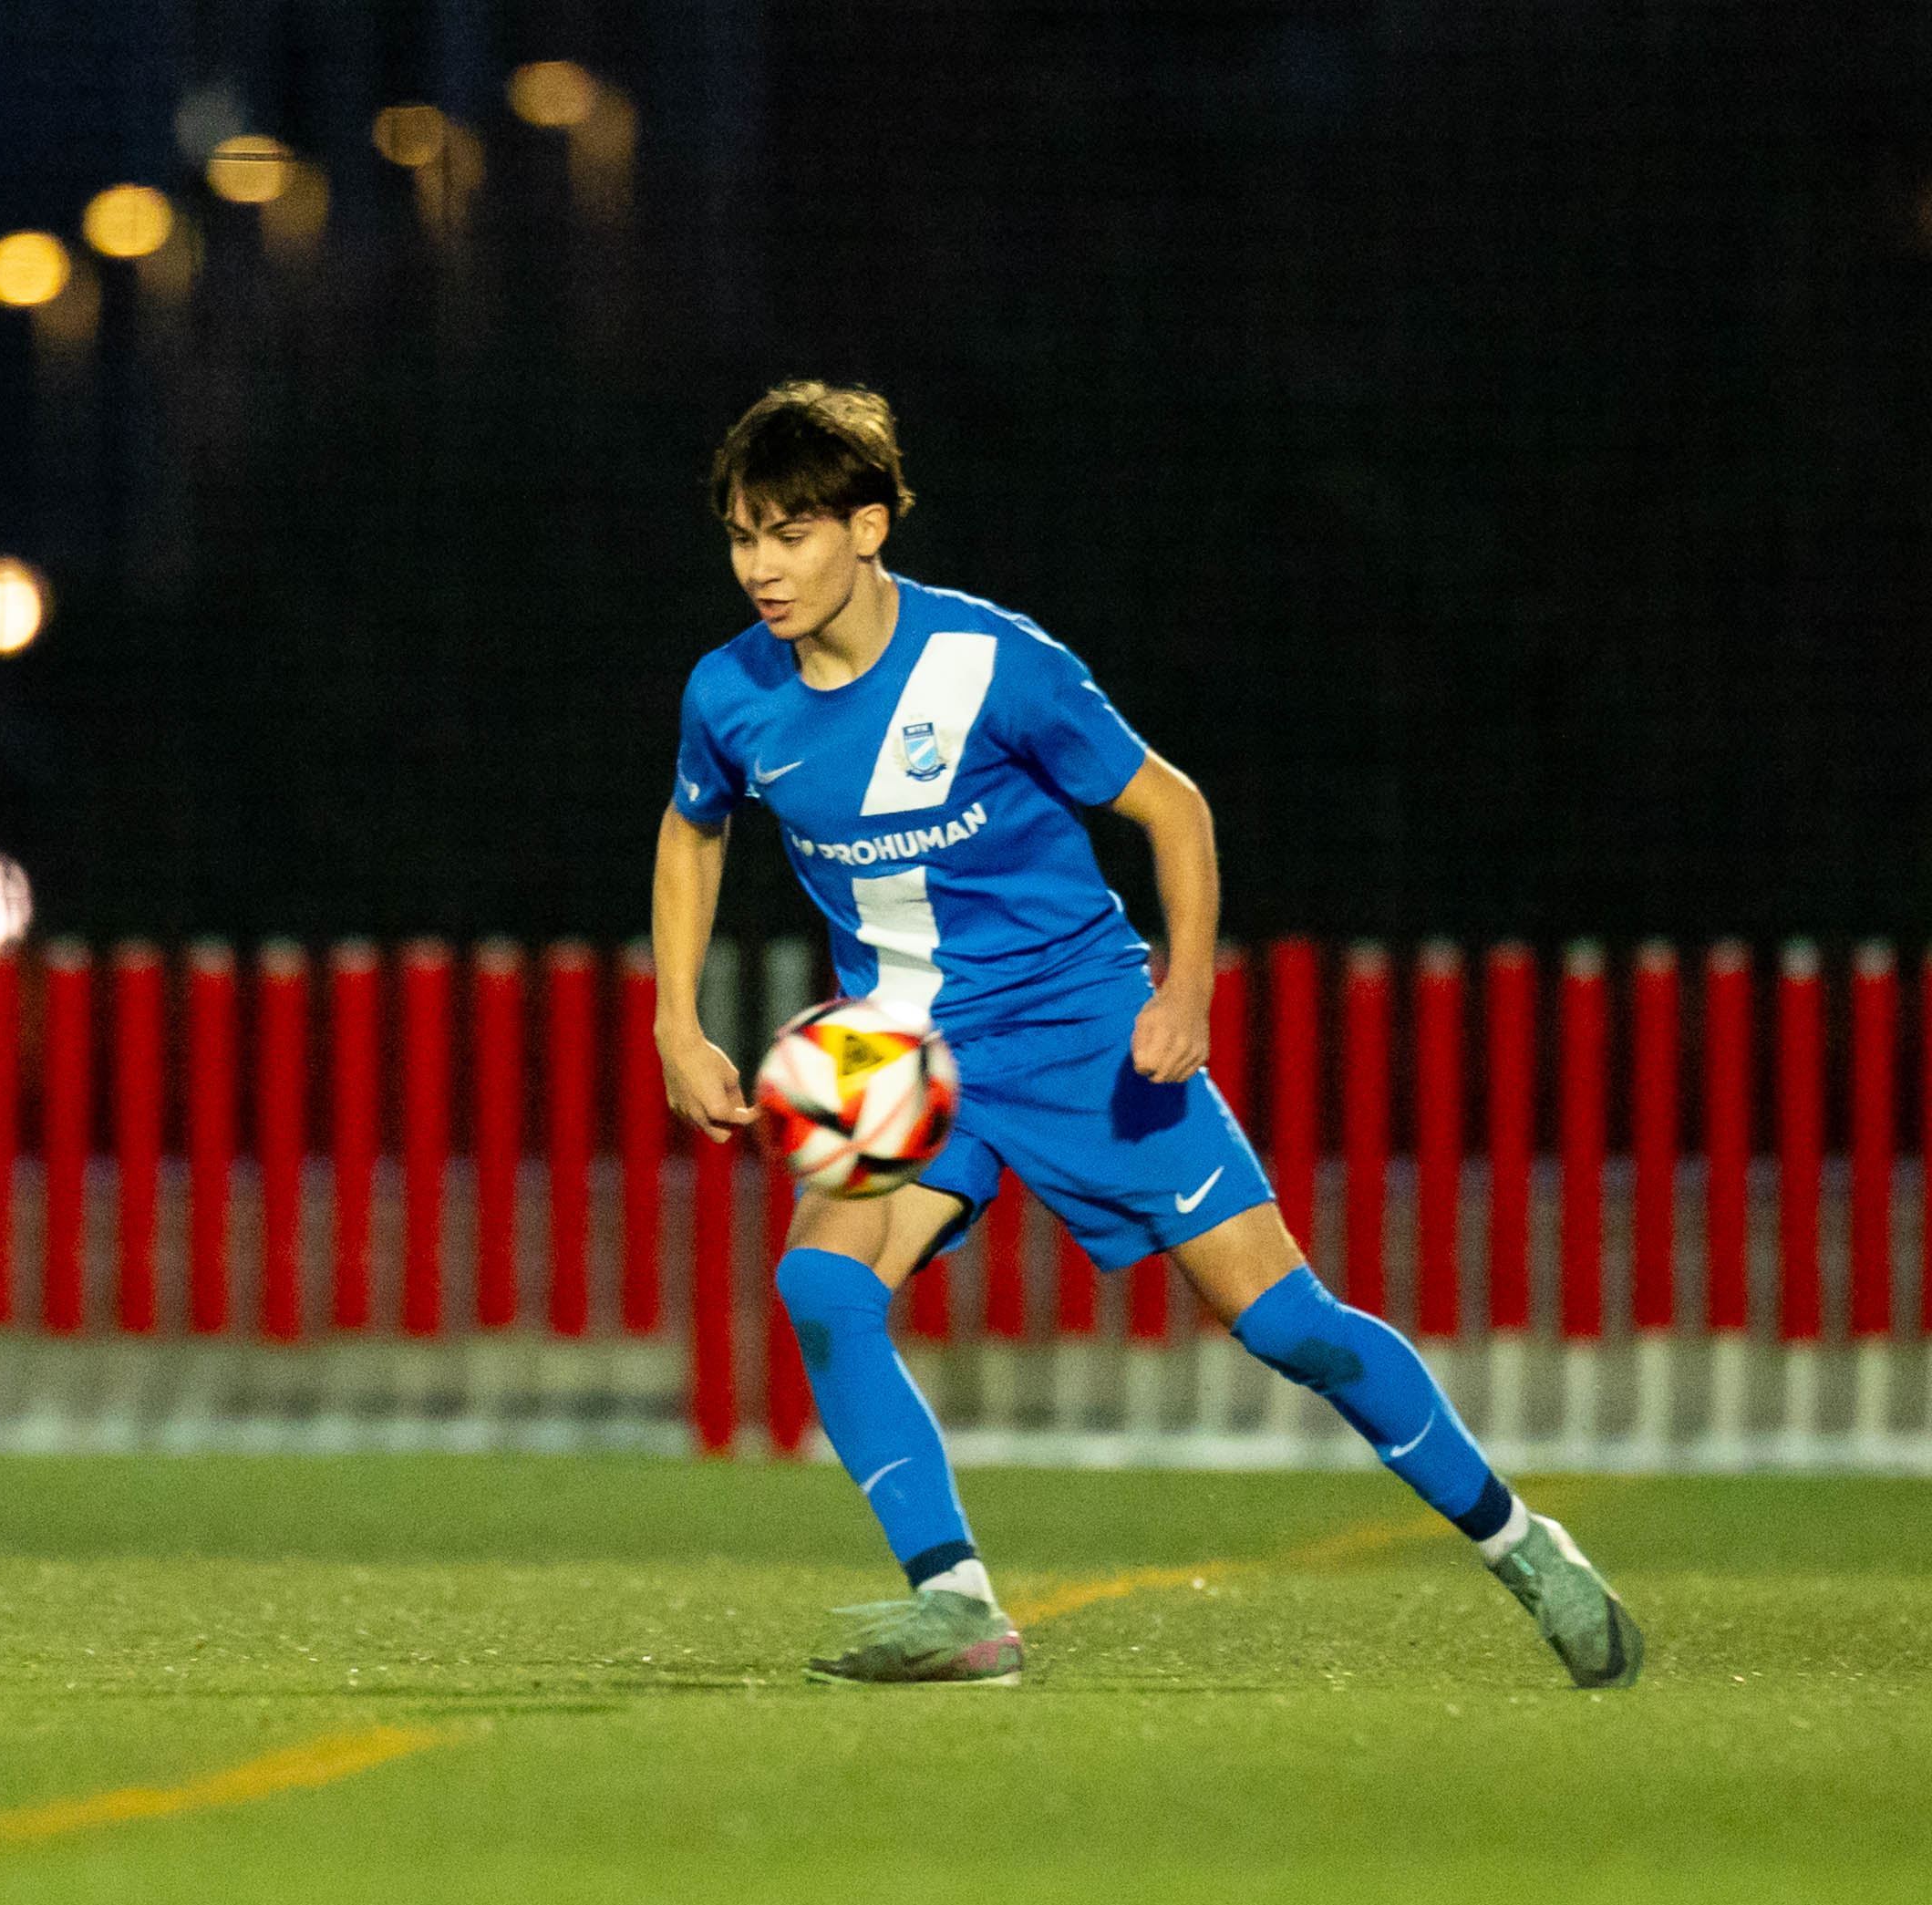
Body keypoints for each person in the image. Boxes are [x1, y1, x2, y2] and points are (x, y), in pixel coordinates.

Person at [653, 381, 1640, 1690]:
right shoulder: (730, 694)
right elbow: (693, 826)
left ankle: (1523, 1543)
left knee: (1288, 1324)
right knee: (822, 1287)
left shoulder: (994, 664)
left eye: (791, 534)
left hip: (1079, 1026)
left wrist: (1182, 992)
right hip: (895, 1043)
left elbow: (1173, 810)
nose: (762, 568)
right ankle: (957, 1604)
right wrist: (677, 1016)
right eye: (742, 536)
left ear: (872, 527)